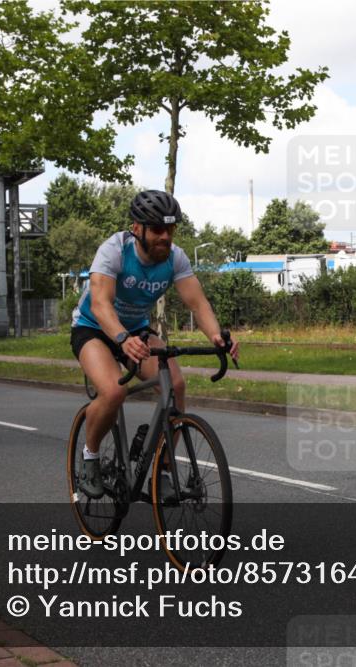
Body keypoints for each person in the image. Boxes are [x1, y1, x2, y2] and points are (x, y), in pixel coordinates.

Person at [69, 190, 239, 499]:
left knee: (175, 384)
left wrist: (215, 335)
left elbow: (198, 304)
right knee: (114, 391)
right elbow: (101, 305)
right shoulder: (115, 251)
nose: (165, 237)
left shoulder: (175, 258)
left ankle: (162, 471)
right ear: (137, 228)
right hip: (93, 329)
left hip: (136, 330)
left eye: (170, 230)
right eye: (157, 229)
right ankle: (90, 457)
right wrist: (121, 338)